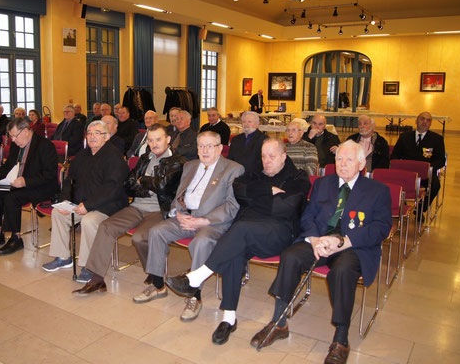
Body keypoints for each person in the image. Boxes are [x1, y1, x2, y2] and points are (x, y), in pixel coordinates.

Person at [249, 141, 391, 364]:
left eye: (349, 160)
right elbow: (308, 216)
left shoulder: (378, 191)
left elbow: (381, 227)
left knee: (342, 270)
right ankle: (279, 322)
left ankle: (341, 338)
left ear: (362, 163)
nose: (342, 164)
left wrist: (344, 241)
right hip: (319, 241)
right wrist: (314, 239)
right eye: (339, 159)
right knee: (291, 255)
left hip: (352, 247)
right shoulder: (324, 184)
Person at [166, 138, 310, 344]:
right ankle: (228, 317)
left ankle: (197, 277)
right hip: (247, 230)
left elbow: (286, 208)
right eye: (263, 156)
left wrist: (255, 197)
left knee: (239, 230)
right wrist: (269, 192)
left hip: (278, 233)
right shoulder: (255, 173)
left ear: (283, 156)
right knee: (235, 252)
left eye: (272, 156)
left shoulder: (298, 176)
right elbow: (239, 191)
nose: (266, 161)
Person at [133, 131, 244, 322]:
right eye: (201, 146)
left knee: (201, 242)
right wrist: (178, 212)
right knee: (156, 231)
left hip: (212, 223)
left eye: (210, 146)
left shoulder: (233, 169)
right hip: (185, 218)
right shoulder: (190, 166)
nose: (204, 150)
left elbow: (232, 205)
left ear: (219, 148)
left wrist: (203, 221)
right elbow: (179, 196)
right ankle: (158, 284)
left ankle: (195, 296)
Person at [72, 124, 186, 294]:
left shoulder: (178, 161)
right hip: (136, 207)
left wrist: (143, 181)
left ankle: (154, 271)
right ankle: (97, 279)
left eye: (158, 139)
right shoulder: (145, 158)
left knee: (139, 238)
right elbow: (128, 184)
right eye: (150, 140)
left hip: (158, 210)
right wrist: (146, 184)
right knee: (106, 227)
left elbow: (163, 185)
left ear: (168, 140)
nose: (154, 144)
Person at [41, 121, 129, 282]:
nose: (92, 136)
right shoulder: (83, 155)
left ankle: (89, 266)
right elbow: (69, 180)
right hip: (82, 204)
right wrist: (65, 201)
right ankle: (63, 257)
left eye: (97, 133)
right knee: (58, 213)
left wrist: (89, 206)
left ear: (107, 137)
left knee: (89, 221)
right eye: (89, 133)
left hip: (108, 206)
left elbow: (113, 188)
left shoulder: (114, 156)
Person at [0, 117, 58, 256]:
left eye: (15, 136)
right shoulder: (17, 145)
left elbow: (49, 175)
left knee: (12, 197)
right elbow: (8, 165)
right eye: (11, 137)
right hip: (18, 183)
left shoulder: (45, 146)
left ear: (26, 131)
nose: (13, 140)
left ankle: (16, 238)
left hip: (40, 186)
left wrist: (26, 181)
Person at [391, 111, 446, 209]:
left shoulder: (437, 139)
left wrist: (428, 168)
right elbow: (395, 156)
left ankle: (421, 208)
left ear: (430, 124)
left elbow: (441, 160)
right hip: (406, 172)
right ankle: (402, 206)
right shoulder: (404, 137)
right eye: (422, 119)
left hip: (426, 174)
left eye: (428, 120)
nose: (425, 122)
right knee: (391, 181)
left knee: (435, 186)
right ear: (416, 121)